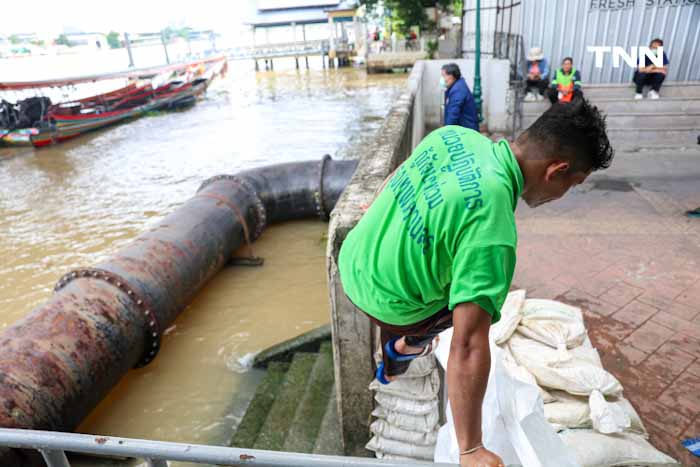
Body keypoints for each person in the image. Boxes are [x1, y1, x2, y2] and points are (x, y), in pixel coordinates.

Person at [338, 99, 613, 467]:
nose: (565, 193)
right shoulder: (493, 230)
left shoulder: (455, 136)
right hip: (384, 302)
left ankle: (404, 339)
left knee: (456, 261)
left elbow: (400, 173)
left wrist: (375, 210)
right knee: (474, 302)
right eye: (573, 183)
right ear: (557, 170)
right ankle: (402, 348)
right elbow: (468, 344)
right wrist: (470, 449)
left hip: (354, 253)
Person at [440, 63, 478, 131]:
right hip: (464, 129)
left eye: (444, 76)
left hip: (466, 131)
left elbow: (453, 114)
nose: (442, 79)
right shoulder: (456, 86)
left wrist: (446, 131)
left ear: (452, 76)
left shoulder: (458, 91)